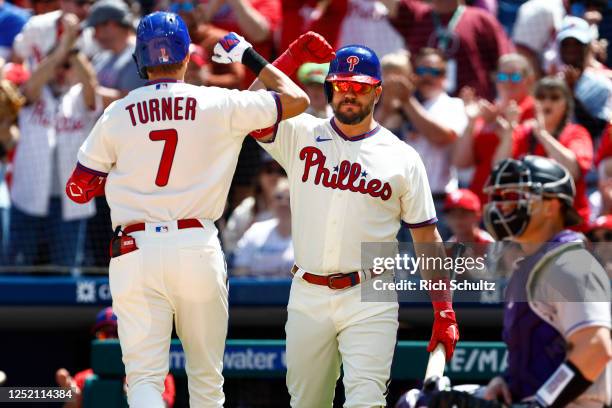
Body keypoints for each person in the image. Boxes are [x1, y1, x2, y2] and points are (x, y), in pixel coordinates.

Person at [65, 11, 314, 407]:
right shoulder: (218, 102)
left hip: (135, 249)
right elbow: (297, 100)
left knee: (144, 378)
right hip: (197, 244)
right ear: (185, 56)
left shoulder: (118, 112)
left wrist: (124, 177)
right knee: (206, 380)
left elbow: (77, 189)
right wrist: (252, 57)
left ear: (140, 59)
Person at [251, 44, 459, 407]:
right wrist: (291, 57)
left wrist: (444, 308)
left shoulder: (402, 157)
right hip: (308, 288)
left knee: (365, 400)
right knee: (306, 402)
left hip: (370, 291)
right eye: (342, 85)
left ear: (378, 92)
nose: (349, 93)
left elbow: (426, 236)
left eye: (360, 87)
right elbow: (248, 110)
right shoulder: (300, 131)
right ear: (331, 87)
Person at [411, 156, 612, 408]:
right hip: (527, 400)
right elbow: (535, 351)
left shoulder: (572, 264)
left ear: (552, 206)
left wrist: (541, 402)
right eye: (500, 197)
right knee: (420, 401)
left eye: (515, 196)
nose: (502, 206)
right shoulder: (527, 267)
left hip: (574, 404)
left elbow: (595, 347)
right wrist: (504, 381)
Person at [10, 13, 100, 271]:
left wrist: (71, 50)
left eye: (67, 67)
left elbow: (91, 86)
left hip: (69, 203)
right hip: (28, 198)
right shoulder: (34, 93)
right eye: (57, 66)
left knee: (66, 271)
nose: (61, 72)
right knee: (19, 270)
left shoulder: (80, 97)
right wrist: (60, 51)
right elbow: (29, 89)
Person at [384, 47, 467, 239]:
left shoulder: (452, 105)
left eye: (435, 72)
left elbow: (440, 136)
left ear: (445, 75)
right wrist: (388, 102)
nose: (427, 77)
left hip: (436, 202)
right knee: (398, 268)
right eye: (422, 71)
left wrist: (407, 101)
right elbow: (372, 136)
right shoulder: (403, 104)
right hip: (399, 202)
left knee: (432, 266)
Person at [493, 76, 593, 226]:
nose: (547, 102)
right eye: (541, 97)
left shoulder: (577, 133)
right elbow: (499, 170)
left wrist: (542, 134)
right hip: (527, 224)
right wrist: (509, 132)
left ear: (566, 104)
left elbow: (573, 171)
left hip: (567, 224)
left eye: (554, 97)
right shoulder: (523, 132)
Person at [382, 0, 513, 99]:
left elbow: (507, 63)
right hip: (421, 113)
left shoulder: (481, 20)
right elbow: (391, 5)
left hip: (472, 112)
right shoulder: (416, 15)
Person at [453, 53, 536, 204]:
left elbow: (513, 155)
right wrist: (471, 122)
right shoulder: (489, 111)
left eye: (515, 77)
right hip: (481, 198)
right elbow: (461, 162)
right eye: (502, 77)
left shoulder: (535, 110)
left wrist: (496, 122)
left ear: (529, 80)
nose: (508, 83)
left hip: (514, 200)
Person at [55, 307, 176, 408]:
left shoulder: (155, 373)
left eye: (117, 333)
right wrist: (73, 402)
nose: (111, 340)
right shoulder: (84, 379)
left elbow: (164, 404)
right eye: (104, 335)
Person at [222, 151, 284, 255]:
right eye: (269, 170)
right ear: (260, 175)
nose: (275, 176)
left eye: (281, 171)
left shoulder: (295, 208)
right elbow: (230, 244)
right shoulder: (247, 208)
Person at [233, 177, 293, 277]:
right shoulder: (255, 231)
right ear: (271, 201)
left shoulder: (307, 237)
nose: (284, 203)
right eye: (279, 197)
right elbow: (240, 270)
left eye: (290, 198)